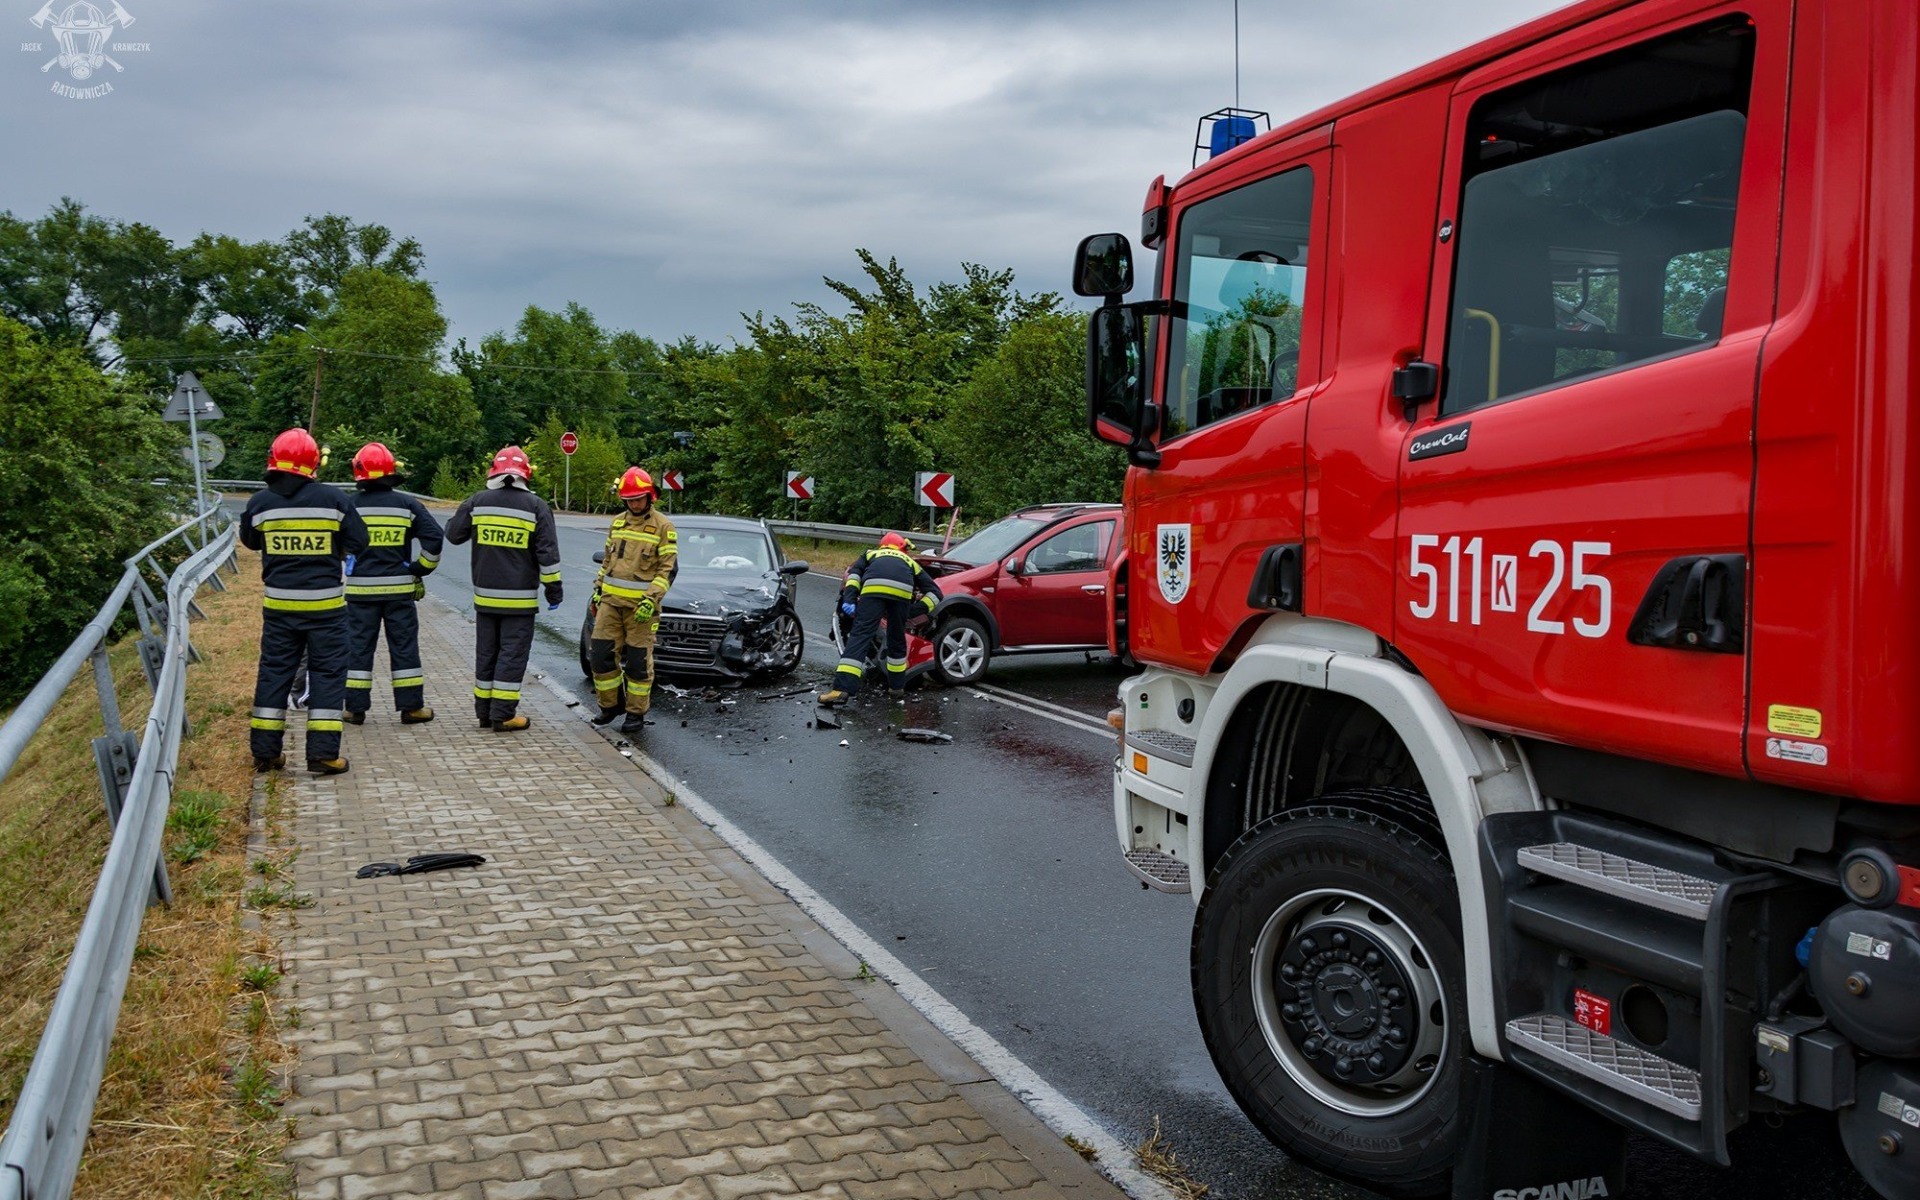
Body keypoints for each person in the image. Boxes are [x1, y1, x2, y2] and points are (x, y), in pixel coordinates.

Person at [239, 428, 368, 774]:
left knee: (274, 674)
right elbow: (360, 541)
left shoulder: (259, 502)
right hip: (325, 610)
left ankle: (265, 754)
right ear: (314, 463)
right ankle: (323, 756)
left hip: (279, 609)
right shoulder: (334, 500)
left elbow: (251, 542)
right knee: (327, 676)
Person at [444, 445, 562, 731]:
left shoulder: (477, 501)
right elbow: (547, 553)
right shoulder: (537, 507)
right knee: (512, 654)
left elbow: (453, 534)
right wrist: (553, 589)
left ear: (494, 472)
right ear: (525, 474)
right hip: (519, 602)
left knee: (487, 653)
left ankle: (484, 713)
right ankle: (504, 715)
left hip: (485, 598)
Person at [342, 442, 445, 725]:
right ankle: (411, 709)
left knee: (358, 648)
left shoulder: (348, 504)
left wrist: (346, 558)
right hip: (399, 592)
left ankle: (354, 709)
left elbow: (335, 541)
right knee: (404, 648)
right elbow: (434, 538)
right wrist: (420, 569)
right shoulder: (407, 504)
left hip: (360, 593)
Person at [588, 467, 677, 736]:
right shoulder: (616, 523)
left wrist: (651, 600)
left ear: (650, 496)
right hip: (610, 603)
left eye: (639, 498)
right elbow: (608, 562)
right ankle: (610, 706)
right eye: (629, 499)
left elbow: (666, 569)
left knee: (638, 663)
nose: (634, 503)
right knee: (601, 655)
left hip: (641, 609)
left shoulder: (663, 527)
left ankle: (635, 713)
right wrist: (597, 589)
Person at [819, 530, 940, 705]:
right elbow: (935, 592)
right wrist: (914, 610)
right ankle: (897, 687)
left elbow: (854, 576)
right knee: (897, 640)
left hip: (872, 594)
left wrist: (850, 599)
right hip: (901, 597)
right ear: (901, 548)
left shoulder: (870, 554)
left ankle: (841, 690)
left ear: (882, 545)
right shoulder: (909, 561)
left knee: (860, 636)